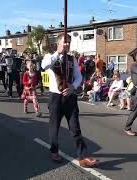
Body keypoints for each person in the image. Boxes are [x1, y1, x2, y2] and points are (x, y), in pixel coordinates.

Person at [42, 33, 98, 167]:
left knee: (75, 128)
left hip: (70, 97)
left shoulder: (72, 59)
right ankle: (54, 151)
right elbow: (44, 66)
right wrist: (58, 53)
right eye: (65, 42)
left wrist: (73, 87)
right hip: (56, 97)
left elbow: (78, 77)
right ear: (58, 43)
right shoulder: (50, 57)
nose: (67, 44)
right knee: (54, 127)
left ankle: (82, 156)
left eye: (69, 42)